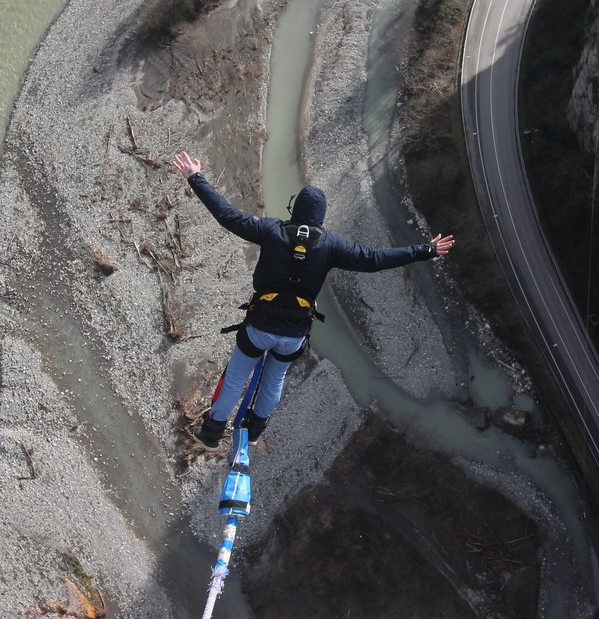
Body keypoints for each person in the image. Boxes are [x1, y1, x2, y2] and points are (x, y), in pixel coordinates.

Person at [173, 151, 453, 449]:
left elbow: (227, 214)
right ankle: (254, 432)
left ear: (295, 209)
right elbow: (374, 259)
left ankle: (212, 433)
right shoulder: (331, 245)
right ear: (321, 216)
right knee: (274, 379)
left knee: (235, 379)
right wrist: (426, 250)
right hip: (293, 333)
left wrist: (196, 177)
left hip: (260, 324)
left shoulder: (271, 230)